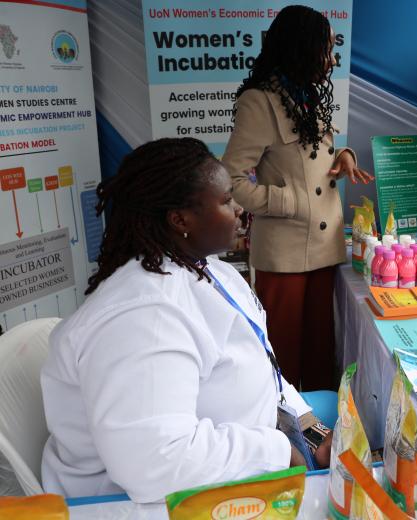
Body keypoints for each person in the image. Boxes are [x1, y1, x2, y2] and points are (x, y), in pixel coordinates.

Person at [41, 138, 331, 503]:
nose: (240, 209)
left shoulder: (214, 272)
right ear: (180, 219)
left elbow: (263, 367)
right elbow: (156, 463)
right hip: (136, 504)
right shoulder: (143, 318)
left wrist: (311, 431)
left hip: (231, 466)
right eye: (226, 200)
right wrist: (275, 451)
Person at [223, 5, 372, 391]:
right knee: (284, 359)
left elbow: (312, 158)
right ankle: (285, 429)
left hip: (323, 246)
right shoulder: (259, 102)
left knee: (321, 353)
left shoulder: (306, 95)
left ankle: (323, 426)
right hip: (285, 253)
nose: (332, 59)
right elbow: (231, 180)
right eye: (326, 49)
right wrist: (288, 202)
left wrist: (344, 156)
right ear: (301, 47)